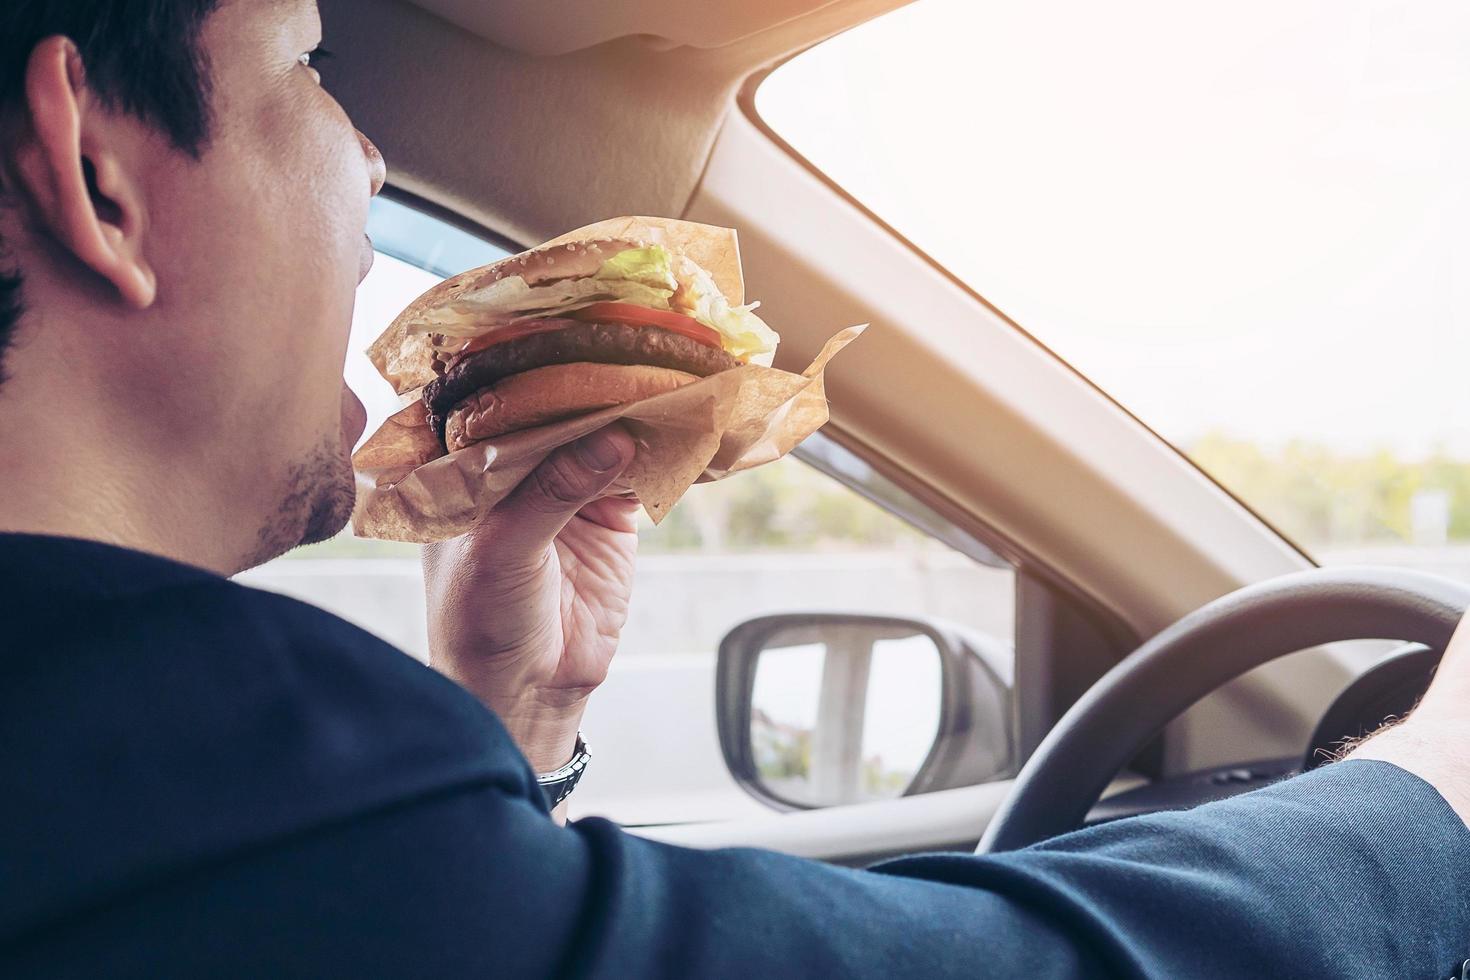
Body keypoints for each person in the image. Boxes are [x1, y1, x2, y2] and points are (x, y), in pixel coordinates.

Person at [0, 2, 1467, 977]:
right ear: (96, 173)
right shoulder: (173, 734)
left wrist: (505, 731)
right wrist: (1435, 787)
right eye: (311, 73)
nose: (370, 153)